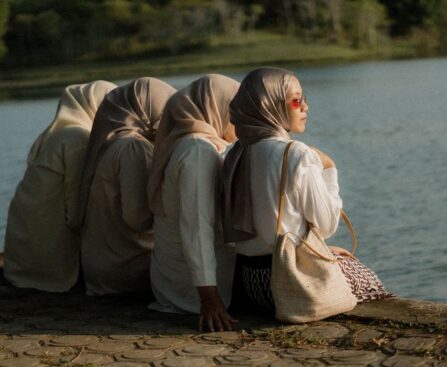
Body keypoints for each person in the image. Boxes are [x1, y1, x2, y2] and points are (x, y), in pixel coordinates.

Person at [223, 67, 391, 311]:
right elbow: (327, 225)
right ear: (271, 104)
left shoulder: (236, 152)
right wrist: (330, 170)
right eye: (297, 100)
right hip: (290, 282)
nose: (305, 107)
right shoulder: (296, 153)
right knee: (370, 283)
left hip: (251, 282)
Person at [3, 80, 117, 292]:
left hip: (23, 254)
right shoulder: (79, 138)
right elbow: (75, 211)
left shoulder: (56, 133)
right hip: (49, 263)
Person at [147, 74, 240, 332]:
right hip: (191, 291)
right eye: (235, 111)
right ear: (217, 109)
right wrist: (210, 300)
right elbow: (197, 229)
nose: (240, 121)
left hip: (174, 282)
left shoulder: (187, 144)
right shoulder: (197, 151)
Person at [79, 77, 176, 296]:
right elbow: (138, 219)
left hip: (101, 267)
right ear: (147, 107)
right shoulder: (132, 147)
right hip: (126, 267)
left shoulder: (109, 141)